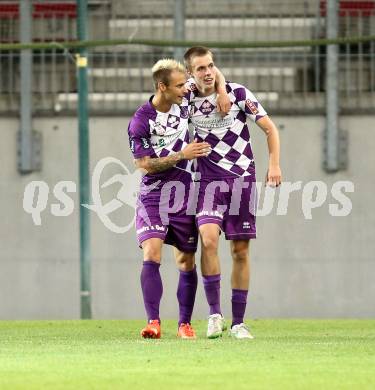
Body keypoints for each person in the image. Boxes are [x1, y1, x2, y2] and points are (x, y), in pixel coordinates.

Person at [184, 46, 282, 339]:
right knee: (209, 240)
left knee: (240, 251)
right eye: (200, 68)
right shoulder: (186, 99)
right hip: (207, 181)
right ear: (190, 73)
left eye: (211, 66)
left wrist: (274, 164)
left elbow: (270, 129)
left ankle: (239, 322)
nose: (208, 72)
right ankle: (215, 315)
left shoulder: (238, 94)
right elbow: (164, 95)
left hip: (242, 179)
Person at [127, 58, 229, 339]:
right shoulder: (141, 120)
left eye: (186, 83)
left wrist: (221, 92)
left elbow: (212, 72)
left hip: (186, 193)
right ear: (162, 87)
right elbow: (144, 165)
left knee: (186, 260)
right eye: (180, 85)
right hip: (154, 194)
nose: (186, 89)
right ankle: (153, 322)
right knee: (152, 252)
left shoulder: (185, 98)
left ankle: (184, 324)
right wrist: (182, 155)